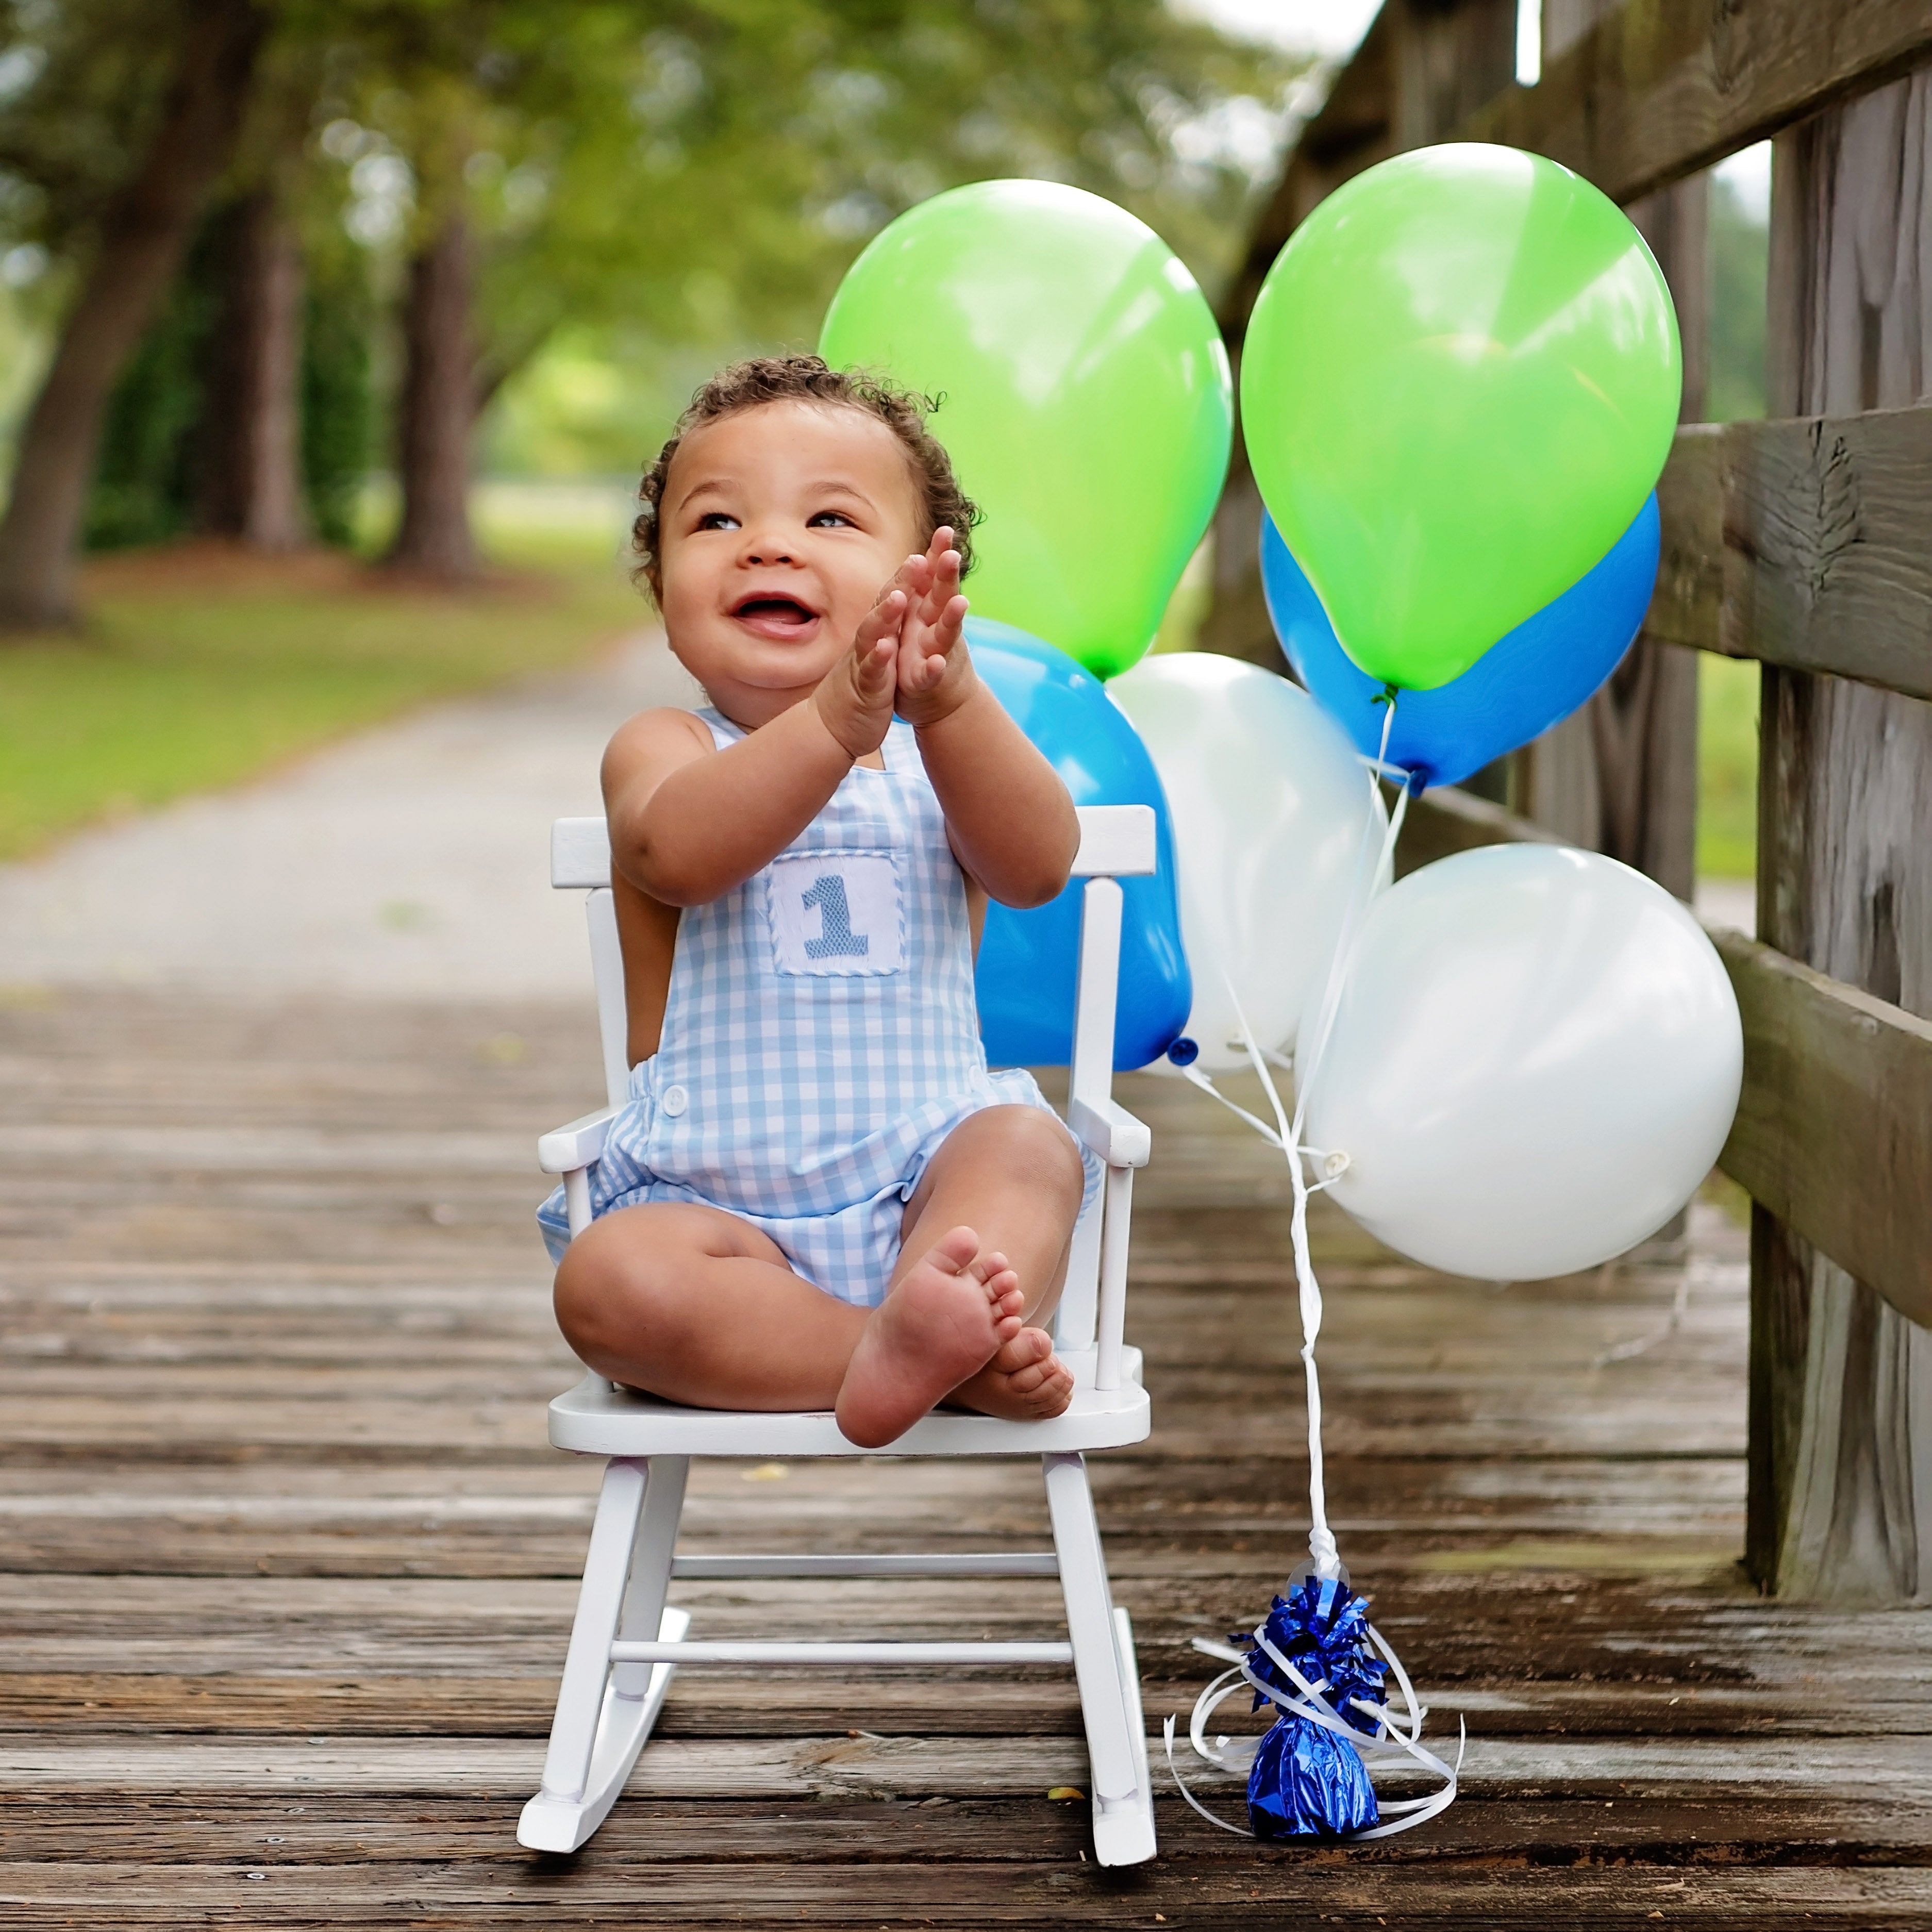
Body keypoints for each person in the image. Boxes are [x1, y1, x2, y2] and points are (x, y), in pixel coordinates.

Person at [539, 356, 1096, 1449]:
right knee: (606, 1280)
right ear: (661, 594)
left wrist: (953, 705)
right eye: (715, 521)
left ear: (919, 582)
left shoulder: (942, 754)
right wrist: (836, 723)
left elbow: (1036, 866)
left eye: (828, 516)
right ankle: (901, 1352)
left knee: (1029, 1148)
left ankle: (936, 1324)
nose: (768, 542)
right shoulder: (665, 747)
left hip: (921, 1199)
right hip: (714, 1218)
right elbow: (675, 850)